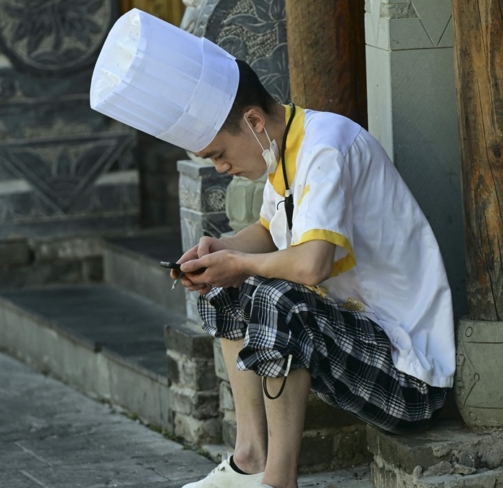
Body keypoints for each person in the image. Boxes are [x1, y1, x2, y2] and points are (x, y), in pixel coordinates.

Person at [91, 10, 456, 488]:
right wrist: (217, 251)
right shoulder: (283, 151)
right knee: (226, 289)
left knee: (277, 297)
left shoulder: (327, 145)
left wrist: (238, 263)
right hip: (356, 344)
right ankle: (250, 457)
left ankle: (278, 481)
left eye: (219, 153)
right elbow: (269, 230)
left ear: (254, 121)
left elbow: (310, 263)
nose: (219, 167)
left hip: (409, 378)